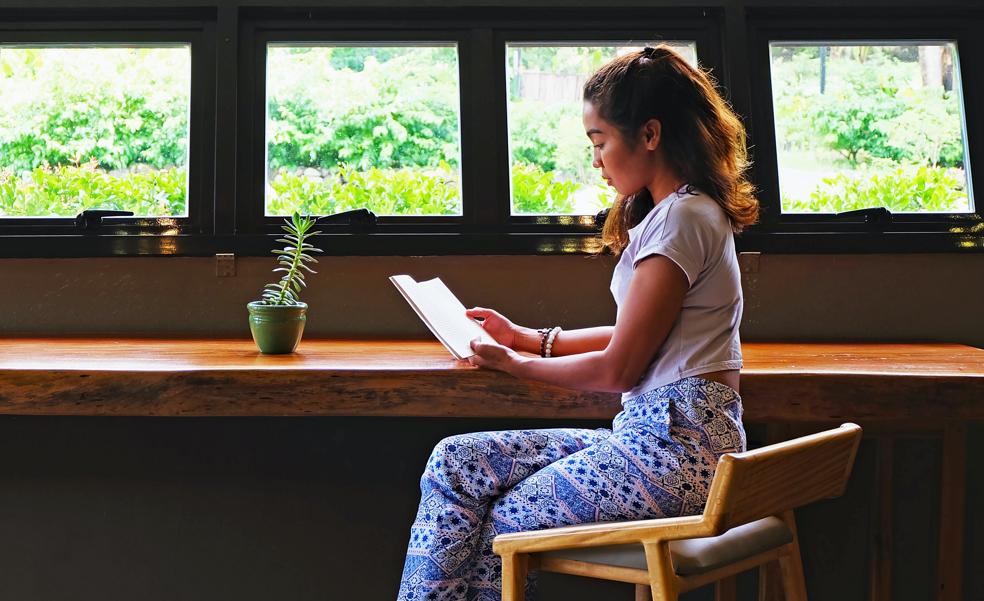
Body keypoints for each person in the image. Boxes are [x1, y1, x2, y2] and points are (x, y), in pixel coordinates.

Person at [396, 44, 759, 601]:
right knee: (457, 460)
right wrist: (531, 339)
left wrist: (516, 365)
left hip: (673, 452)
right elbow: (638, 337)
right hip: (660, 440)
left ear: (650, 134)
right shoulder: (679, 213)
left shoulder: (684, 220)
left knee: (496, 528)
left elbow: (619, 369)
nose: (596, 159)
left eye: (600, 142)